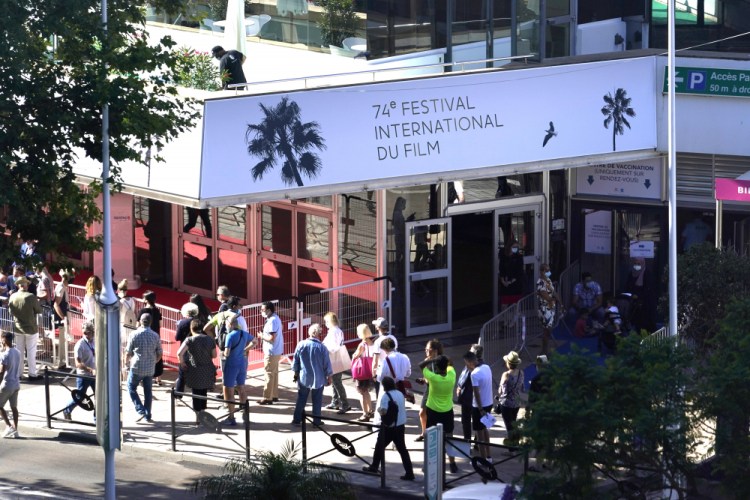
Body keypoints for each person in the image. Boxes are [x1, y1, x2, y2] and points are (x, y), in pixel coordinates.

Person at [362, 376, 415, 481]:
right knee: (403, 450)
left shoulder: (385, 396)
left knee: (379, 447)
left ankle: (374, 467)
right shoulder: (400, 393)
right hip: (400, 426)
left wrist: (379, 410)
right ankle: (410, 473)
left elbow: (384, 411)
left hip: (389, 427)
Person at [419, 354, 459, 473]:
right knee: (449, 437)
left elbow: (421, 365)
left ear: (436, 367)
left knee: (431, 438)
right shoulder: (452, 375)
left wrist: (431, 359)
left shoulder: (433, 378)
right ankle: (452, 464)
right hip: (447, 411)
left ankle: (428, 464)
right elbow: (451, 364)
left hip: (433, 411)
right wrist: (444, 360)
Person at [176, 319, 217, 424]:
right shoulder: (210, 339)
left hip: (194, 370)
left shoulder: (189, 340)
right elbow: (214, 355)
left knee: (196, 393)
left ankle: (198, 416)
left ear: (191, 328)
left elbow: (179, 353)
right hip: (207, 369)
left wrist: (182, 363)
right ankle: (203, 412)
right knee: (204, 392)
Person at [291, 323, 332, 427]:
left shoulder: (301, 344)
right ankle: (316, 421)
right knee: (317, 400)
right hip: (318, 378)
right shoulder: (322, 348)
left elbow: (295, 361)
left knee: (301, 398)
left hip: (304, 376)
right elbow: (327, 364)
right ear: (319, 334)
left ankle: (297, 419)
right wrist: (329, 377)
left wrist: (296, 373)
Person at [124, 313, 162, 423]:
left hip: (137, 366)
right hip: (150, 367)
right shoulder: (155, 335)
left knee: (131, 387)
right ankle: (147, 414)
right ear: (150, 322)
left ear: (140, 321)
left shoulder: (134, 334)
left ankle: (141, 409)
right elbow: (159, 352)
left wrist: (126, 364)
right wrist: (155, 361)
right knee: (148, 392)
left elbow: (128, 352)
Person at [221, 315, 255, 426]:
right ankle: (245, 414)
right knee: (241, 388)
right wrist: (245, 349)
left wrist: (223, 354)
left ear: (230, 325)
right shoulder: (244, 333)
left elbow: (227, 353)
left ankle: (231, 417)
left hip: (232, 364)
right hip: (242, 363)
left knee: (228, 389)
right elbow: (255, 341)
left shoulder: (230, 336)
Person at [8, 276, 42, 380]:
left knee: (19, 352)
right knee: (31, 352)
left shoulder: (13, 296)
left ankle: (18, 374)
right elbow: (38, 310)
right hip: (31, 328)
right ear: (26, 285)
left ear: (18, 285)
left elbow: (10, 312)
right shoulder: (30, 296)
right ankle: (32, 374)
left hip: (18, 328)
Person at [62, 321, 96, 421]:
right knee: (79, 397)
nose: (86, 334)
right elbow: (78, 363)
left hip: (94, 375)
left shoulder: (94, 341)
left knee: (99, 397)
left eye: (88, 332)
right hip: (84, 375)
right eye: (84, 332)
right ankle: (67, 410)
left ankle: (97, 419)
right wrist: (89, 369)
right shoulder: (80, 345)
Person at [464, 350, 493, 463]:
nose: (466, 366)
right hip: (489, 403)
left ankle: (482, 459)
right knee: (485, 430)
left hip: (479, 407)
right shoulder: (487, 367)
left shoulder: (474, 374)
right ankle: (489, 457)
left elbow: (476, 392)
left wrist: (480, 409)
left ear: (471, 362)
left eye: (466, 363)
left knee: (479, 434)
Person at [322, 312, 351, 414]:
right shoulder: (337, 330)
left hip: (334, 357)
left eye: (326, 321)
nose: (325, 324)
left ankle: (345, 403)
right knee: (335, 381)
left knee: (337, 382)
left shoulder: (333, 332)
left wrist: (325, 348)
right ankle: (335, 402)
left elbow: (333, 346)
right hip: (337, 357)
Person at [415, 339, 443, 442]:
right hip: (429, 389)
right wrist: (423, 380)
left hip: (438, 390)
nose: (426, 351)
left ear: (435, 350)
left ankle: (437, 435)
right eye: (425, 349)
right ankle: (423, 432)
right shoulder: (427, 361)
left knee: (435, 414)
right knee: (422, 412)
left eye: (428, 349)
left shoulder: (441, 361)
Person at [457, 344, 483, 447]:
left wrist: (459, 386)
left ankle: (467, 442)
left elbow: (464, 379)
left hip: (468, 397)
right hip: (474, 398)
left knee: (466, 421)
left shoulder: (471, 365)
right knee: (476, 420)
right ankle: (476, 442)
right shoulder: (482, 365)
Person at [258, 301, 283, 405]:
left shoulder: (272, 321)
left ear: (269, 310)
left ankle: (267, 397)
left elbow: (272, 338)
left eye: (263, 310)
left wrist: (261, 336)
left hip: (271, 351)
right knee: (274, 373)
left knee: (268, 373)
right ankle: (274, 395)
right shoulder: (275, 318)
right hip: (276, 350)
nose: (261, 312)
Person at [497, 350, 524, 445]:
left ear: (508, 363)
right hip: (516, 402)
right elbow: (522, 388)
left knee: (509, 426)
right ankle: (516, 443)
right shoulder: (521, 373)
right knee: (514, 423)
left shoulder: (506, 374)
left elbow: (500, 391)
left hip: (507, 404)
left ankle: (511, 448)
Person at [0, 331, 22, 438]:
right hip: (16, 383)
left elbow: (2, 371)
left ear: (5, 339)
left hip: (7, 384)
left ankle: (9, 426)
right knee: (14, 407)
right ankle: (15, 429)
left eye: (1, 339)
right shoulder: (17, 352)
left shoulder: (5, 355)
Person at [175, 302, 200, 397]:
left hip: (184, 351)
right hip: (197, 350)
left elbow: (177, 338)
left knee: (182, 375)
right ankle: (197, 398)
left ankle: (178, 396)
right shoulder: (199, 322)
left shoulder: (182, 323)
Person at [352, 324, 375, 422]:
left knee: (361, 393)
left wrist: (354, 355)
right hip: (370, 371)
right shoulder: (373, 343)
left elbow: (355, 356)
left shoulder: (362, 345)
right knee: (367, 392)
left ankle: (365, 413)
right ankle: (370, 410)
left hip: (362, 372)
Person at [139, 291, 163, 385]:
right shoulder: (157, 310)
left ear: (146, 300)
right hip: (156, 336)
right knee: (158, 355)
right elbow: (161, 324)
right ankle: (158, 378)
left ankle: (144, 378)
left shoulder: (143, 311)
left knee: (144, 355)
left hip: (144, 336)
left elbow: (138, 324)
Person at [536, 263, 561, 356]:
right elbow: (546, 296)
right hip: (544, 309)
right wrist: (554, 300)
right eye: (546, 271)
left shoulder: (549, 281)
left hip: (551, 308)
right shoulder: (540, 282)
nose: (548, 272)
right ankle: (544, 351)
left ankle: (545, 350)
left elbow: (554, 293)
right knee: (547, 329)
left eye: (549, 270)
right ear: (542, 271)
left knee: (549, 330)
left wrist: (561, 303)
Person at [371, 316, 398, 398]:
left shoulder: (377, 341)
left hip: (381, 370)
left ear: (378, 328)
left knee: (380, 394)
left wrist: (373, 374)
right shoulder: (393, 338)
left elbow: (375, 360)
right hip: (393, 369)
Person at [53, 269, 72, 369]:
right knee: (62, 340)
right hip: (63, 318)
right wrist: (63, 318)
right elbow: (56, 304)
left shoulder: (63, 287)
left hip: (64, 317)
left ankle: (63, 362)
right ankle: (61, 362)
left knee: (64, 340)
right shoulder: (61, 287)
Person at [499, 241, 524, 308]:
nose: (515, 249)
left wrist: (510, 282)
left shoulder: (519, 257)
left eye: (517, 247)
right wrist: (503, 281)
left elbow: (519, 272)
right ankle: (504, 318)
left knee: (515, 306)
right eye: (514, 247)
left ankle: (515, 318)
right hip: (505, 285)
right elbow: (501, 269)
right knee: (504, 305)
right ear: (509, 247)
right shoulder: (504, 256)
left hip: (515, 285)